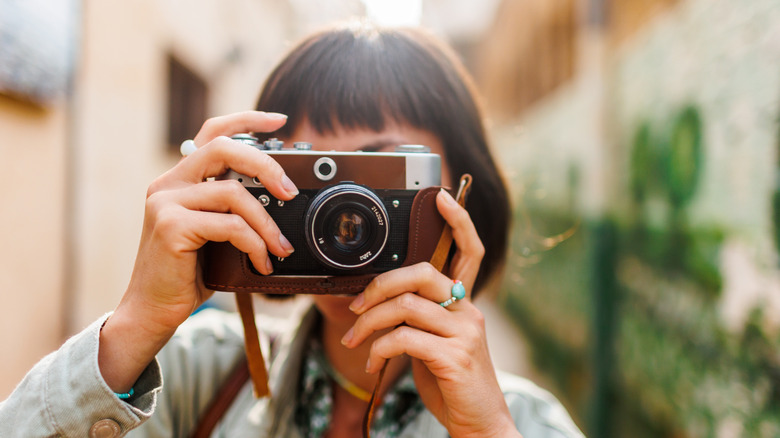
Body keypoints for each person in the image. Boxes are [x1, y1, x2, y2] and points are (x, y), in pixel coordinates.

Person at [0, 20, 584, 438]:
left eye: (380, 172)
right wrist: (135, 324)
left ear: (462, 192)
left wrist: (484, 431)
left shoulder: (526, 423)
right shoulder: (191, 375)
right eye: (309, 177)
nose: (344, 217)